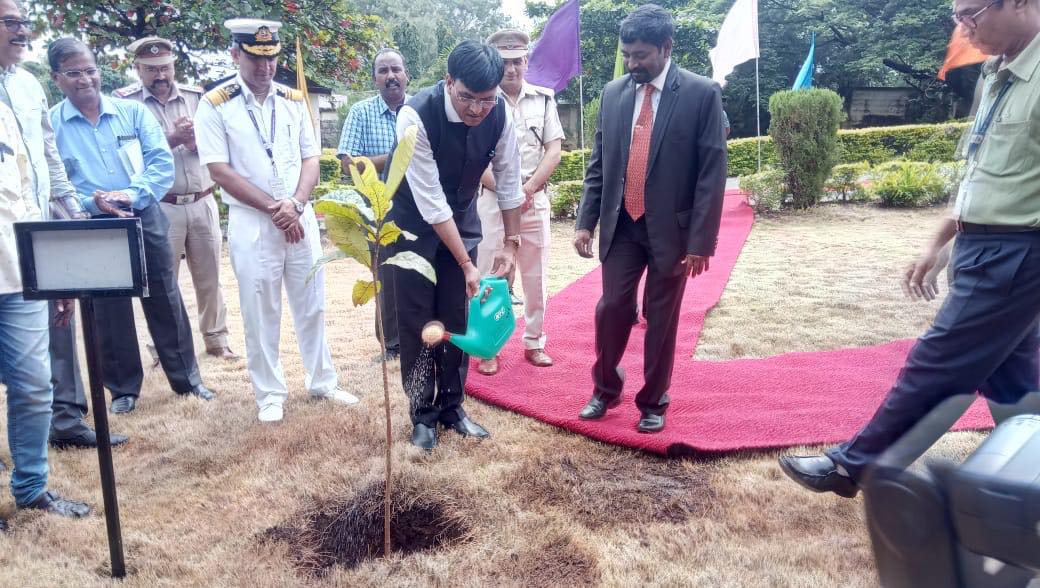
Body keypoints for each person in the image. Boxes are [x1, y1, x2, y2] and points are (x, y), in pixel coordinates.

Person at [780, 0, 1040, 498]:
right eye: (956, 17)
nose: (963, 28)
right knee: (1011, 372)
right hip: (983, 243)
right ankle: (1029, 475)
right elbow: (981, 172)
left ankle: (854, 466)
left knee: (940, 359)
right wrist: (941, 243)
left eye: (972, 14)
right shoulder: (997, 72)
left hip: (1018, 251)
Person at [573, 4, 727, 434]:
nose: (632, 63)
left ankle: (653, 401)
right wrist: (585, 221)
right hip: (622, 224)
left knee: (661, 317)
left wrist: (701, 242)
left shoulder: (701, 94)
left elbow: (711, 173)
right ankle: (605, 389)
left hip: (673, 232)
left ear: (666, 47)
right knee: (612, 307)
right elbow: (599, 164)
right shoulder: (613, 94)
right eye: (627, 54)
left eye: (640, 55)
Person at [195, 19, 358, 423]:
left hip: (298, 215)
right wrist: (275, 209)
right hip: (254, 221)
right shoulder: (215, 104)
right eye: (255, 58)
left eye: (271, 59)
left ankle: (323, 380)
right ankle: (269, 393)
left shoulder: (292, 99)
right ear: (236, 55)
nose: (265, 67)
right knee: (260, 309)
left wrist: (297, 203)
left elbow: (310, 158)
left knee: (312, 303)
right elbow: (219, 170)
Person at [48, 37, 214, 415]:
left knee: (164, 295)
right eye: (73, 73)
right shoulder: (53, 124)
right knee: (109, 307)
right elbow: (55, 182)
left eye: (90, 70)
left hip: (143, 212)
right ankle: (123, 389)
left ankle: (187, 380)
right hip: (94, 222)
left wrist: (128, 194)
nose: (85, 79)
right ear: (56, 78)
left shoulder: (132, 113)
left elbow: (159, 163)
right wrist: (93, 203)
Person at [0, 0, 129, 449]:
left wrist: (72, 222)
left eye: (24, 23)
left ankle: (64, 425)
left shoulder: (28, 85)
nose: (22, 31)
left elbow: (49, 160)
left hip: (32, 240)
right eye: (11, 22)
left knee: (48, 346)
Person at [389, 40, 523, 450]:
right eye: (467, 97)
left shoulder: (501, 113)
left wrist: (511, 244)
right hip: (411, 226)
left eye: (487, 99)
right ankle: (422, 415)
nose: (478, 109)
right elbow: (431, 202)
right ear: (449, 82)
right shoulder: (415, 116)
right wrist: (467, 264)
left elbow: (509, 181)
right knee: (419, 322)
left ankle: (452, 407)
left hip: (460, 219)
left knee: (456, 317)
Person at [115, 36, 237, 361]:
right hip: (160, 205)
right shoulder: (126, 105)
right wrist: (172, 138)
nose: (160, 76)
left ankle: (217, 340)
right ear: (137, 69)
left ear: (173, 66)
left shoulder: (198, 98)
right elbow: (127, 157)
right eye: (151, 69)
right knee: (162, 282)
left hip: (202, 200)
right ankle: (164, 349)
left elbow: (222, 142)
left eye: (165, 68)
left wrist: (198, 143)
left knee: (210, 276)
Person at [0, 97, 90, 530]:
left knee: (35, 386)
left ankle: (32, 490)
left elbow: (35, 190)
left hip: (17, 271)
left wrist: (51, 270)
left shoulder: (14, 99)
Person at [475, 29, 564, 376]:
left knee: (535, 275)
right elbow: (476, 159)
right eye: (504, 62)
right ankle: (489, 347)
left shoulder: (544, 100)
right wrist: (509, 194)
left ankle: (534, 342)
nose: (511, 69)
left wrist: (527, 189)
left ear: (527, 61)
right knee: (490, 275)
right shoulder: (482, 101)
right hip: (493, 202)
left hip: (533, 200)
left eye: (517, 61)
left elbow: (553, 150)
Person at [336, 48, 411, 363]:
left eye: (396, 69)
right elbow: (347, 164)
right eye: (383, 70)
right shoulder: (361, 112)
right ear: (374, 78)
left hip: (419, 206)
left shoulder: (419, 109)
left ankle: (421, 339)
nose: (391, 76)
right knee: (388, 276)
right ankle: (392, 345)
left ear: (406, 75)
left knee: (420, 273)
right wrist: (397, 157)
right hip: (380, 209)